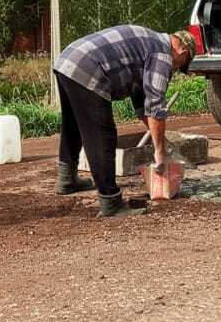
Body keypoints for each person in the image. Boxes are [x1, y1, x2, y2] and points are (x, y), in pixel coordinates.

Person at [53, 25, 197, 216]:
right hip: (89, 67)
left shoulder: (149, 43)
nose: (176, 69)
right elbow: (155, 107)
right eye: (181, 65)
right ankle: (110, 202)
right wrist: (160, 153)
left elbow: (143, 106)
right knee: (103, 135)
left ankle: (66, 178)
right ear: (183, 51)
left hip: (67, 60)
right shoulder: (163, 55)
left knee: (73, 124)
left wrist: (160, 140)